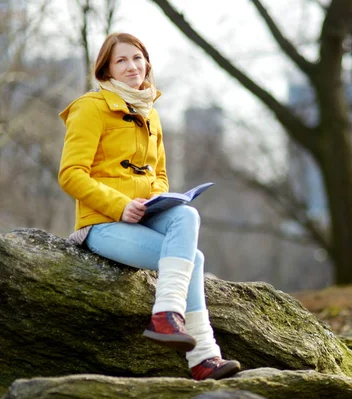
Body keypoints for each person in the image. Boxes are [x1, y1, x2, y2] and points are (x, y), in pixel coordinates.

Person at [58, 32, 240, 381]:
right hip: (101, 224)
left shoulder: (150, 114)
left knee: (187, 214)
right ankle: (196, 349)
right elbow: (70, 174)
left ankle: (186, 340)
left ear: (147, 63)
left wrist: (156, 199)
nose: (132, 66)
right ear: (106, 70)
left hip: (143, 217)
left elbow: (158, 174)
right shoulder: (90, 107)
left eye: (137, 58)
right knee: (195, 260)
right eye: (121, 60)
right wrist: (120, 205)